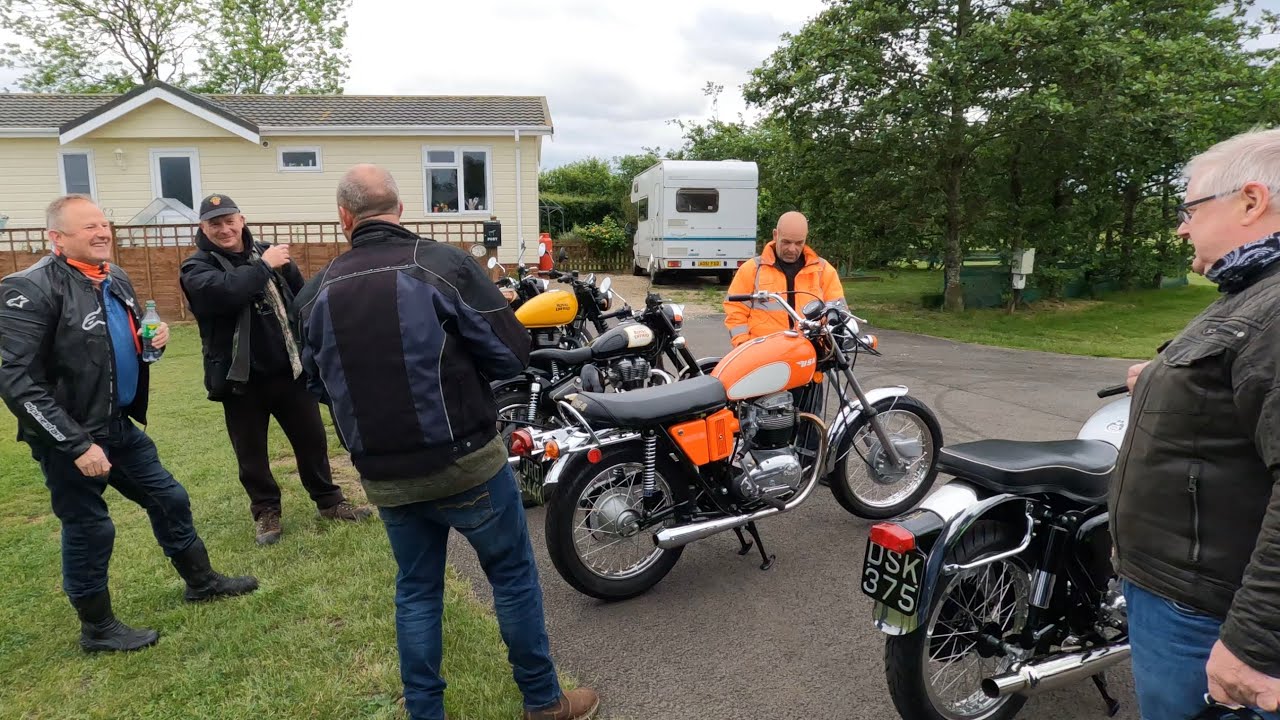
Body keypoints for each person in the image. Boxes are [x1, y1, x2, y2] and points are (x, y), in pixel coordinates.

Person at [295, 164, 598, 720]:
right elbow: (511, 354)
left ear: (344, 217)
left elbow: (317, 383)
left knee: (416, 591)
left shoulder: (314, 293)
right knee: (511, 579)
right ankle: (543, 701)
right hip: (467, 463)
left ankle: (425, 712)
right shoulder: (445, 266)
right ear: (399, 209)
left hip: (385, 475)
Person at [0, 195, 258, 653]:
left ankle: (201, 582)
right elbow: (15, 380)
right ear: (56, 237)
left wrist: (152, 341)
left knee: (169, 498)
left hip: (117, 425)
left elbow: (125, 342)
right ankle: (98, 628)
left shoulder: (113, 276)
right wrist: (77, 445)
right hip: (69, 437)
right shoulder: (29, 289)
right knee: (89, 527)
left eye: (104, 224)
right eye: (89, 227)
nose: (102, 233)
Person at [1111, 127, 1280, 719]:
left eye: (1191, 209)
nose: (1182, 227)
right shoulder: (1251, 292)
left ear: (1251, 201)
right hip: (1184, 593)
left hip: (1206, 612)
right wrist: (1163, 381)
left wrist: (1254, 643)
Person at [179, 193, 371, 545]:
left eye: (229, 221)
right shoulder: (197, 267)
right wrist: (264, 266)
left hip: (290, 370)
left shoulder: (269, 254)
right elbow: (225, 293)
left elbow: (302, 298)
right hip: (240, 379)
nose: (224, 229)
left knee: (312, 441)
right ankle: (266, 512)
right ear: (203, 228)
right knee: (251, 453)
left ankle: (330, 502)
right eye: (215, 223)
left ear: (242, 220)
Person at [722, 211, 846, 346]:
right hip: (765, 351)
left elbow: (839, 311)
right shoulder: (752, 269)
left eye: (799, 243)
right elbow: (735, 311)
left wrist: (832, 344)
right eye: (786, 242)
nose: (792, 249)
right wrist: (743, 345)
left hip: (812, 351)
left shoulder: (823, 270)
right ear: (775, 235)